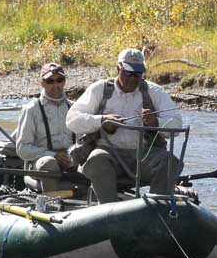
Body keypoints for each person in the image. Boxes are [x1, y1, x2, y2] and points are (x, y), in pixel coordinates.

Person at [66, 48, 182, 203]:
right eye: (128, 73)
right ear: (118, 69)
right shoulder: (100, 89)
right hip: (108, 153)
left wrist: (155, 122)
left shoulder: (154, 91)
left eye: (138, 74)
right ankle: (109, 210)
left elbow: (176, 124)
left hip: (143, 155)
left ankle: (158, 210)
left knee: (169, 162)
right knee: (96, 160)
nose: (133, 79)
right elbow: (72, 120)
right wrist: (102, 121)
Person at [15, 62, 74, 193]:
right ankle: (51, 204)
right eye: (50, 81)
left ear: (64, 81)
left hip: (71, 160)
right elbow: (22, 149)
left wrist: (73, 156)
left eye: (60, 80)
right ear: (41, 83)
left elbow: (83, 140)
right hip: (40, 162)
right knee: (49, 163)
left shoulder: (74, 108)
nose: (55, 85)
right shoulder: (31, 110)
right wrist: (54, 155)